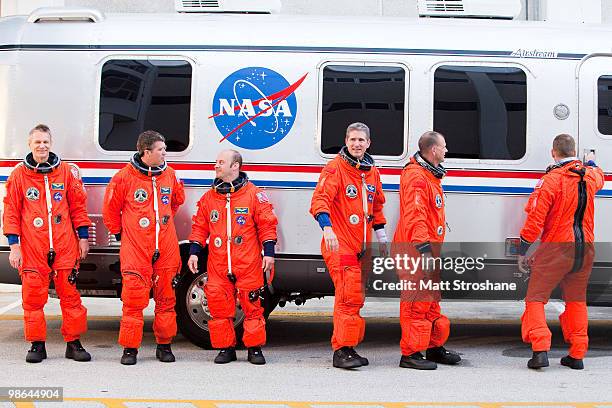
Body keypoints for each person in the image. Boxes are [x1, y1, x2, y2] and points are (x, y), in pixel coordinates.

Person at [3, 124, 92, 363]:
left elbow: (78, 207)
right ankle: (37, 345)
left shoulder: (64, 173)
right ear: (29, 145)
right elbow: (11, 212)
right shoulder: (19, 175)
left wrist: (83, 237)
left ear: (51, 144)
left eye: (45, 142)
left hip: (64, 245)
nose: (42, 146)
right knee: (33, 298)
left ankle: (73, 343)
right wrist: (14, 245)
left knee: (71, 297)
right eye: (37, 142)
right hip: (33, 247)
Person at [518, 134, 603, 370]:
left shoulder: (551, 180)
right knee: (576, 301)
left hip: (556, 249)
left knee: (535, 299)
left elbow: (536, 219)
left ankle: (540, 350)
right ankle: (577, 355)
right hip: (585, 250)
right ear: (574, 151)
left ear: (553, 152)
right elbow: (599, 175)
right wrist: (592, 163)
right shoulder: (590, 176)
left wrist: (523, 247)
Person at [187, 149, 278, 365]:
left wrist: (269, 253)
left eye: (221, 162)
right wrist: (193, 253)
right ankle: (225, 348)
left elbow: (267, 225)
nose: (216, 166)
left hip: (247, 262)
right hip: (218, 264)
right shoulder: (209, 198)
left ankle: (254, 349)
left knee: (252, 306)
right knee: (218, 307)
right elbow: (200, 227)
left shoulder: (254, 195)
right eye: (216, 162)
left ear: (235, 166)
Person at [103, 130, 185, 365]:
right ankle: (130, 349)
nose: (165, 153)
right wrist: (124, 234)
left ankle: (164, 345)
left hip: (166, 245)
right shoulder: (124, 177)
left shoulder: (169, 174)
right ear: (146, 152)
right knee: (133, 300)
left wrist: (163, 224)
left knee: (167, 299)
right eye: (161, 150)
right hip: (136, 247)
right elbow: (111, 211)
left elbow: (176, 201)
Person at [310, 122, 388, 369]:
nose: (356, 144)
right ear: (346, 141)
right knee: (347, 295)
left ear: (368, 143)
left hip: (360, 246)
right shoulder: (335, 169)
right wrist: (328, 228)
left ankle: (348, 348)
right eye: (352, 139)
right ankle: (341, 351)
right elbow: (320, 200)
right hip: (340, 243)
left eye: (361, 140)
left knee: (355, 297)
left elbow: (376, 206)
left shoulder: (371, 171)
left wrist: (382, 236)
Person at [393, 131, 461, 370]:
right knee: (415, 304)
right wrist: (424, 249)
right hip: (416, 251)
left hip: (427, 251)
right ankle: (410, 354)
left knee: (431, 303)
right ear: (433, 150)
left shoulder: (429, 176)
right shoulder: (416, 177)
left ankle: (433, 347)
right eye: (443, 147)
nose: (446, 150)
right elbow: (416, 215)